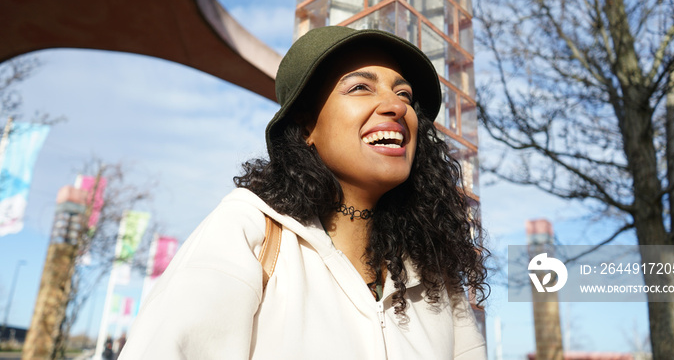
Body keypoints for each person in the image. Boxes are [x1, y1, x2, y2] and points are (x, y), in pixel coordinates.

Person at [119, 26, 489, 359]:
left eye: (404, 94)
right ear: (306, 125)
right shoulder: (248, 230)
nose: (396, 106)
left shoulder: (437, 279)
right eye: (360, 87)